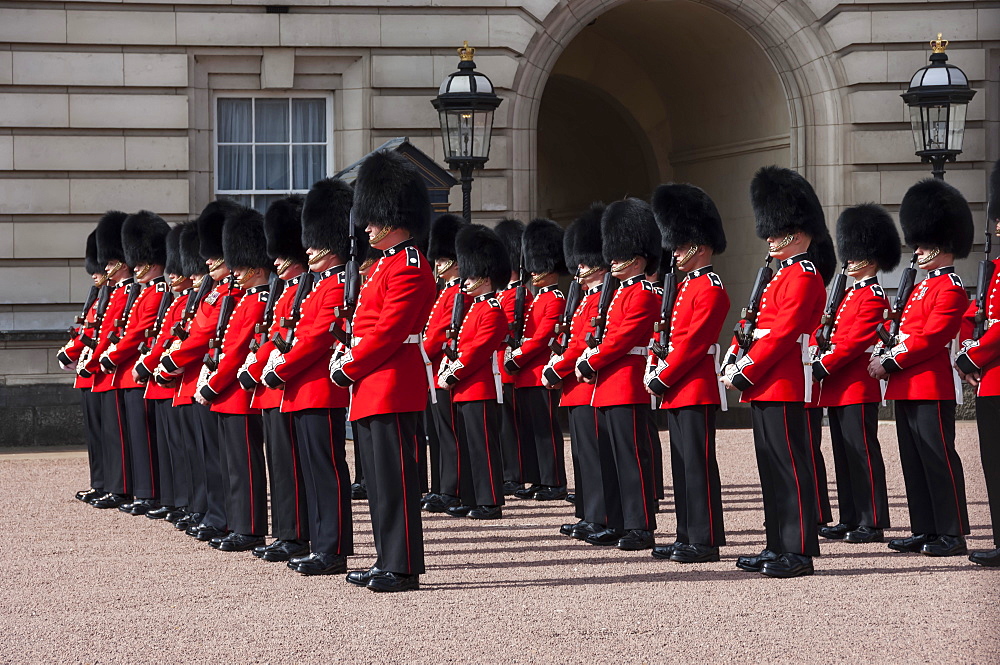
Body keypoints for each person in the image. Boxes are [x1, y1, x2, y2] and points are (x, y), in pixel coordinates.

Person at [329, 150, 436, 593]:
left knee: (396, 481)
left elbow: (389, 332)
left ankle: (403, 566)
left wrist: (348, 366)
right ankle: (385, 559)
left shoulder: (409, 266)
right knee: (377, 482)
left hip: (391, 384)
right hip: (373, 385)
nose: (367, 227)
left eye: (374, 219)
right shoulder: (382, 267)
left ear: (394, 217)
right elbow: (365, 327)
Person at [722, 166, 827, 578]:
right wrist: (735, 357)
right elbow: (754, 328)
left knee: (789, 466)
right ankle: (776, 543)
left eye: (776, 229)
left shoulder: (803, 274)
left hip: (782, 381)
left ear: (797, 231)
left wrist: (745, 367)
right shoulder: (775, 275)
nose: (769, 237)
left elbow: (783, 333)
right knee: (770, 466)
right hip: (765, 382)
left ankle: (798, 550)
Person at [262, 178, 367, 575]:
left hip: (321, 389)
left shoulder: (339, 281)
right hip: (301, 389)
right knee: (312, 471)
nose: (307, 249)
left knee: (326, 471)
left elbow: (318, 339)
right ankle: (319, 542)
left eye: (315, 240)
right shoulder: (318, 284)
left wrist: (279, 370)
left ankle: (333, 547)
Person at [871, 178, 973, 557]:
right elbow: (906, 330)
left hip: (930, 385)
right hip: (907, 385)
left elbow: (930, 339)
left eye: (925, 243)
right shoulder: (919, 287)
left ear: (943, 245)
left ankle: (952, 532)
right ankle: (925, 528)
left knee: (937, 458)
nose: (918, 250)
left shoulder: (951, 288)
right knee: (913, 461)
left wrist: (890, 361)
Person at [645, 183, 730, 563]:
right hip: (676, 387)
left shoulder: (710, 288)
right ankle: (686, 534)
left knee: (697, 466)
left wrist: (665, 374)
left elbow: (695, 343)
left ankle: (705, 538)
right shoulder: (683, 287)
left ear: (699, 244)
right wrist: (657, 365)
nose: (674, 251)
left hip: (694, 386)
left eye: (680, 245)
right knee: (681, 467)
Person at [575, 198, 661, 552]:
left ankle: (640, 525)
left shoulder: (642, 292)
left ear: (636, 257)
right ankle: (616, 520)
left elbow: (621, 339)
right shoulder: (619, 293)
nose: (610, 260)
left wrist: (589, 359)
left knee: (632, 460)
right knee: (611, 460)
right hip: (607, 385)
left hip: (626, 382)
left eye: (618, 252)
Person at [157, 200, 244, 542]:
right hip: (198, 379)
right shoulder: (213, 293)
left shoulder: (229, 292)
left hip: (214, 380)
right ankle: (207, 511)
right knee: (202, 456)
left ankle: (218, 514)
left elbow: (206, 337)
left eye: (212, 254)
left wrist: (171, 360)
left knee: (218, 460)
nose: (206, 263)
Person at [812, 204, 898, 544]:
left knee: (862, 454)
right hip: (838, 388)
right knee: (844, 455)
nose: (847, 261)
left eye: (854, 254)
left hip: (856, 387)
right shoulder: (848, 295)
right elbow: (836, 338)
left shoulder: (873, 296)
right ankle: (850, 517)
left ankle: (872, 520)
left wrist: (820, 366)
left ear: (870, 258)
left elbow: (851, 344)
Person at [197, 207, 273, 552]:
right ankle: (235, 522)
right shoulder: (242, 300)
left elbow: (240, 349)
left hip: (239, 393)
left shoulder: (257, 301)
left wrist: (215, 382)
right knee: (231, 465)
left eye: (241, 267)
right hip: (227, 392)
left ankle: (250, 527)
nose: (235, 272)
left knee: (244, 466)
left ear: (256, 267)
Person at [239, 196, 311, 562]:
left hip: (289, 384)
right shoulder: (284, 290)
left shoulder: (306, 286)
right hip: (273, 387)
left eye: (282, 255)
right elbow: (272, 336)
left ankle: (296, 535)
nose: (276, 262)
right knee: (280, 468)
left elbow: (296, 337)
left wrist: (260, 367)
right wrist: (256, 362)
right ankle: (286, 533)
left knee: (292, 468)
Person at [542, 204, 616, 541]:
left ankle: (599, 515)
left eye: (586, 260)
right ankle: (588, 512)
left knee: (594, 455)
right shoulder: (586, 298)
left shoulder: (603, 298)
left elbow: (578, 348)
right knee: (582, 455)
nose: (580, 266)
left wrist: (557, 367)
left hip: (588, 385)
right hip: (575, 386)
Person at [437, 223, 511, 519]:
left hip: (478, 386)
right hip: (464, 388)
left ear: (486, 276)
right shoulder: (473, 309)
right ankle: (470, 496)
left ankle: (490, 501)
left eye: (473, 274)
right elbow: (461, 345)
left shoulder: (492, 309)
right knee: (468, 446)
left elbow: (478, 350)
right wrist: (448, 361)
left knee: (483, 447)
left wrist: (453, 371)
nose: (466, 279)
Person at [100, 211, 171, 516]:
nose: (136, 267)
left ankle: (149, 493)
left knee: (145, 439)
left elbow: (138, 332)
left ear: (154, 262)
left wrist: (112, 355)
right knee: (136, 438)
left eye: (142, 262)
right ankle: (142, 491)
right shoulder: (141, 293)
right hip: (130, 373)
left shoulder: (156, 292)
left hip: (139, 373)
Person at [956, 158, 1000, 567]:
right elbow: (979, 312)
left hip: (996, 376)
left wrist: (971, 355)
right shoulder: (996, 270)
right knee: (992, 465)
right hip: (990, 380)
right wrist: (970, 339)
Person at [505, 218, 568, 501]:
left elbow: (541, 337)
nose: (534, 270)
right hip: (525, 375)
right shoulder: (536, 297)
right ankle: (539, 479)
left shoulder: (554, 297)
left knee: (546, 429)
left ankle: (554, 481)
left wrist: (516, 356)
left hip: (540, 371)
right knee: (531, 430)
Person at [137, 222, 192, 521]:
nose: (172, 276)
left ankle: (182, 501)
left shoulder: (185, 302)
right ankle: (173, 499)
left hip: (178, 379)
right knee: (170, 447)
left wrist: (152, 363)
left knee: (183, 449)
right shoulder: (175, 302)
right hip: (165, 378)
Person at [81, 211, 135, 510]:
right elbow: (93, 328)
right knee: (102, 435)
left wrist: (101, 357)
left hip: (115, 371)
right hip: (99, 370)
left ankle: (119, 487)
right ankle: (105, 483)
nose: (103, 269)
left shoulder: (128, 294)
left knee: (118, 437)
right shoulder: (109, 294)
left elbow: (124, 332)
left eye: (110, 263)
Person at [421, 213, 470, 513]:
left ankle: (452, 489)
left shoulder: (456, 293)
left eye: (442, 260)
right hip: (432, 369)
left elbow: (439, 333)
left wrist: (421, 354)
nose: (438, 265)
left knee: (449, 432)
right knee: (438, 433)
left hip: (442, 367)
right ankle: (442, 486)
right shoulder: (445, 292)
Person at [57, 230, 107, 504]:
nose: (96, 273)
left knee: (108, 436)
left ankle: (110, 485)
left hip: (101, 373)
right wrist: (70, 352)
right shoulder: (99, 298)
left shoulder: (115, 298)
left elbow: (103, 334)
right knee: (96, 436)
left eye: (101, 268)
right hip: (89, 372)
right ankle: (100, 483)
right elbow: (86, 332)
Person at [494, 219, 534, 495]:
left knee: (510, 424)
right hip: (497, 366)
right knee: (503, 423)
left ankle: (515, 473)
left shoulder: (517, 295)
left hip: (507, 366)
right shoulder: (505, 294)